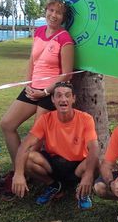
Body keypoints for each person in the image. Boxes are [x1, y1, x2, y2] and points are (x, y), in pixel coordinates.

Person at [0, 0, 74, 198]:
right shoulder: (39, 31)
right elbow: (33, 59)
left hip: (50, 93)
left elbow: (66, 74)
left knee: (34, 142)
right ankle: (19, 171)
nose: (53, 15)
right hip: (32, 88)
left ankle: (39, 178)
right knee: (7, 124)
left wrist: (46, 92)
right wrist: (27, 83)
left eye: (58, 13)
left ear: (63, 17)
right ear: (45, 11)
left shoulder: (65, 38)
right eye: (50, 10)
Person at [11, 81, 99, 210]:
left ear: (73, 98)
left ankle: (83, 190)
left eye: (67, 95)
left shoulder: (86, 119)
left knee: (96, 162)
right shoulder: (46, 119)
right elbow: (25, 145)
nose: (63, 99)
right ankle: (53, 185)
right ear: (53, 99)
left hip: (77, 167)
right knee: (27, 158)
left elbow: (94, 148)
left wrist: (89, 174)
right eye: (58, 95)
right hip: (53, 164)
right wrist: (18, 173)